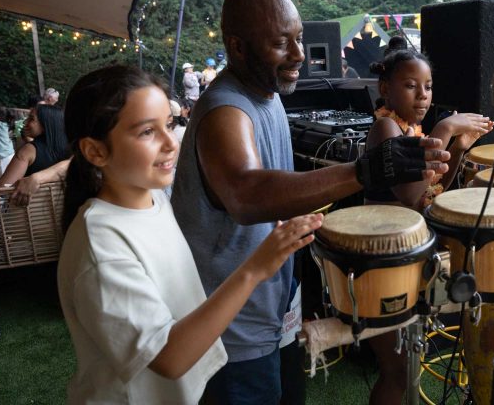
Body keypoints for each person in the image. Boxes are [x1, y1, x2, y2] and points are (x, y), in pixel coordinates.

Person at [170, 0, 449, 405]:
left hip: (272, 308)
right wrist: (364, 171)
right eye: (281, 43)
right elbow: (246, 194)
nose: (300, 54)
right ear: (238, 47)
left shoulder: (267, 97)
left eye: (299, 39)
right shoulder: (225, 109)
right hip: (232, 326)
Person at [57, 64, 321, 404]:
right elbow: (169, 357)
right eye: (147, 132)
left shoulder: (155, 198)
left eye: (169, 124)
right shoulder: (100, 243)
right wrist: (255, 269)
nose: (171, 142)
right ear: (96, 151)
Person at [363, 48, 493, 404]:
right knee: (397, 370)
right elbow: (408, 195)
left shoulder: (411, 130)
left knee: (407, 365)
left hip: (403, 254)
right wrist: (445, 128)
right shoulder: (386, 127)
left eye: (428, 86)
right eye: (411, 86)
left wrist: (459, 148)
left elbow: (430, 192)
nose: (423, 95)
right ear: (385, 89)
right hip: (381, 261)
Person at [0, 104, 68, 186]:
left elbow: (3, 188)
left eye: (31, 118)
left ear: (46, 124)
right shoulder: (70, 150)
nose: (25, 122)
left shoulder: (29, 150)